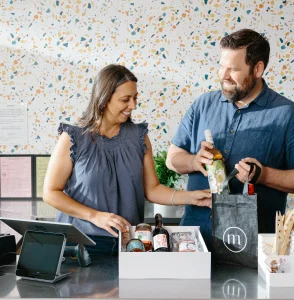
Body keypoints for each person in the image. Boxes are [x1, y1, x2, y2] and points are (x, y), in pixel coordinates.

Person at [166, 28, 294, 249]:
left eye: (234, 69)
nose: (223, 75)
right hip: (195, 238)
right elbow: (172, 158)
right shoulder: (202, 105)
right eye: (221, 66)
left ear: (258, 68)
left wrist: (264, 174)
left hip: (253, 245)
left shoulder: (290, 115)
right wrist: (193, 161)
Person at [43, 64, 211, 255]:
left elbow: (152, 190)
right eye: (125, 99)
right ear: (104, 99)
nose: (133, 105)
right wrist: (95, 216)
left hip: (129, 244)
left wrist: (194, 198)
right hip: (80, 246)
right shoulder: (73, 138)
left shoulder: (139, 137)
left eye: (135, 98)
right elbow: (51, 193)